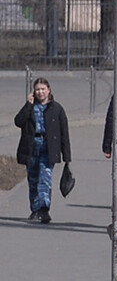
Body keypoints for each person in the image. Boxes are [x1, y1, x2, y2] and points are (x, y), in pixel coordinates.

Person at [13, 78, 72, 224]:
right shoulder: (30, 107)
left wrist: (67, 156)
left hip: (49, 147)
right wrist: (28, 104)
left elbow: (64, 132)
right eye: (37, 89)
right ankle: (35, 209)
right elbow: (18, 121)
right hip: (32, 146)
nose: (40, 92)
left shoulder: (57, 108)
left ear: (49, 90)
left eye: (43, 89)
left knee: (45, 179)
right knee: (33, 179)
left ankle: (44, 209)